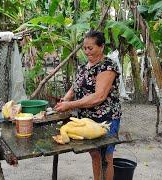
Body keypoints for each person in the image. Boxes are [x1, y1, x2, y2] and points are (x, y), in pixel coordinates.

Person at [55, 30, 121, 180]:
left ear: (102, 47)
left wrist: (70, 105)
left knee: (106, 157)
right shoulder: (84, 66)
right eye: (84, 48)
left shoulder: (107, 66)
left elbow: (99, 96)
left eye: (90, 48)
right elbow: (75, 87)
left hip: (105, 118)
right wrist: (65, 100)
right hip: (86, 119)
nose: (86, 51)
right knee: (95, 155)